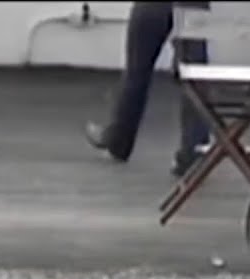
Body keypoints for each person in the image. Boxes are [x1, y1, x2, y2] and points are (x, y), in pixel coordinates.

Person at [84, 1, 210, 174]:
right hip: (193, 7)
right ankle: (193, 150)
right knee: (194, 78)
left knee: (136, 71)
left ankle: (118, 140)